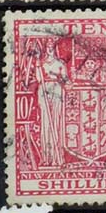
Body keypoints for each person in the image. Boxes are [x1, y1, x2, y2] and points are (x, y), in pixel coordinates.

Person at [36, 40, 68, 169]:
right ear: (45, 49)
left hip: (57, 91)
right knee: (45, 124)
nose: (50, 49)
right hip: (44, 91)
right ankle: (46, 158)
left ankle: (57, 158)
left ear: (55, 48)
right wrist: (37, 66)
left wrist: (62, 79)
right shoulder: (41, 63)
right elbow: (39, 79)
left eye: (52, 47)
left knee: (55, 122)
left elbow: (65, 79)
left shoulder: (60, 63)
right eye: (48, 47)